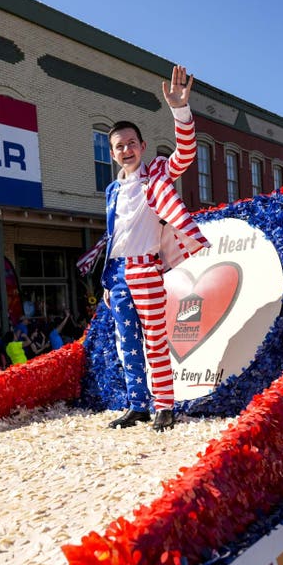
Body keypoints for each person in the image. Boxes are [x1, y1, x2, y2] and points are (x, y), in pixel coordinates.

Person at [101, 65, 206, 433]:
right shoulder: (112, 191)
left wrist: (180, 110)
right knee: (126, 342)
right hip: (117, 272)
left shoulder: (158, 172)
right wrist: (106, 280)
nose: (126, 150)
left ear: (143, 147)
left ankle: (164, 405)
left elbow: (186, 154)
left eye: (131, 143)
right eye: (119, 146)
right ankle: (138, 406)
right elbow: (114, 236)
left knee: (155, 341)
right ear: (112, 154)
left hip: (146, 268)